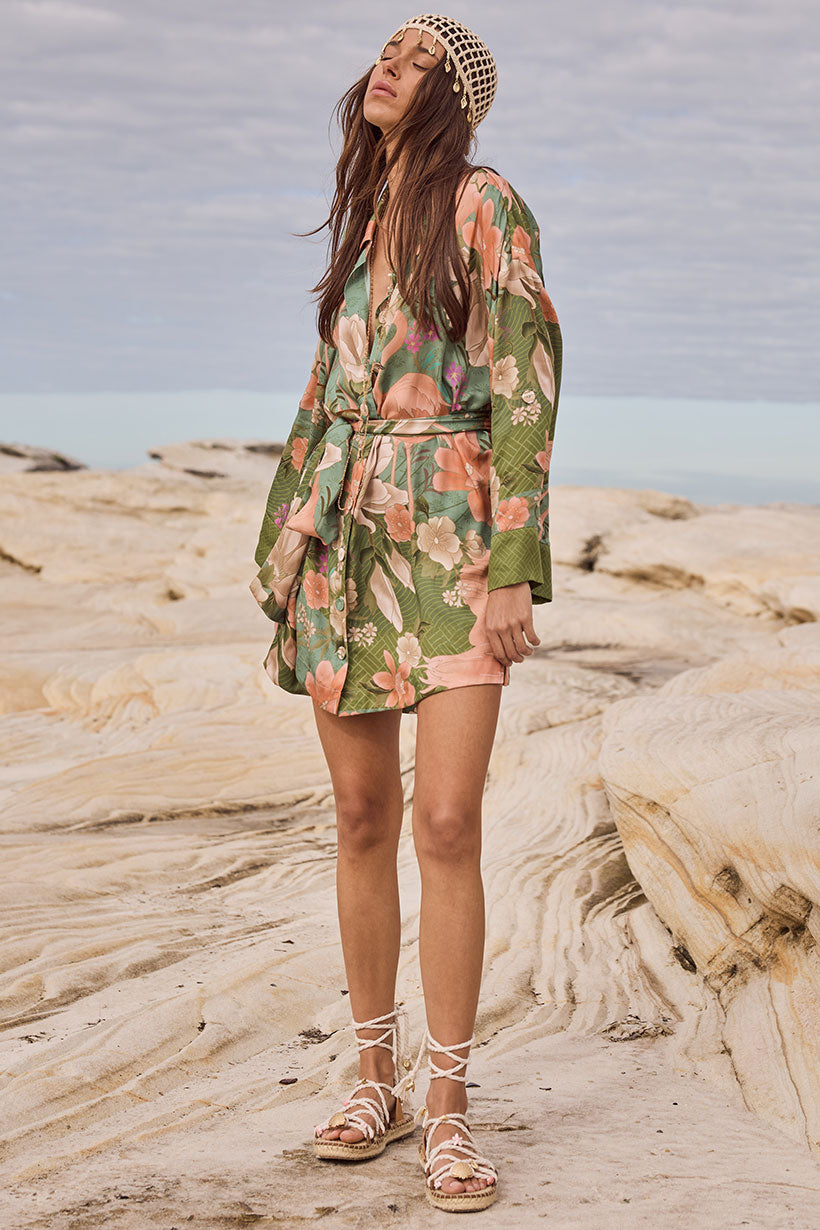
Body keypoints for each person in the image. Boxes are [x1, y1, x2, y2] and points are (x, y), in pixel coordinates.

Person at [250, 11, 562, 1214]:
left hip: (453, 535)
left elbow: (529, 374)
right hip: (343, 541)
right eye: (390, 48)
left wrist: (511, 563)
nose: (394, 65)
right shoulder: (363, 215)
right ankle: (370, 1076)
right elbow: (324, 396)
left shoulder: (484, 202)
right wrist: (286, 541)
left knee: (444, 821)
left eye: (424, 61)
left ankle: (447, 1104)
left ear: (454, 100)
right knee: (360, 810)